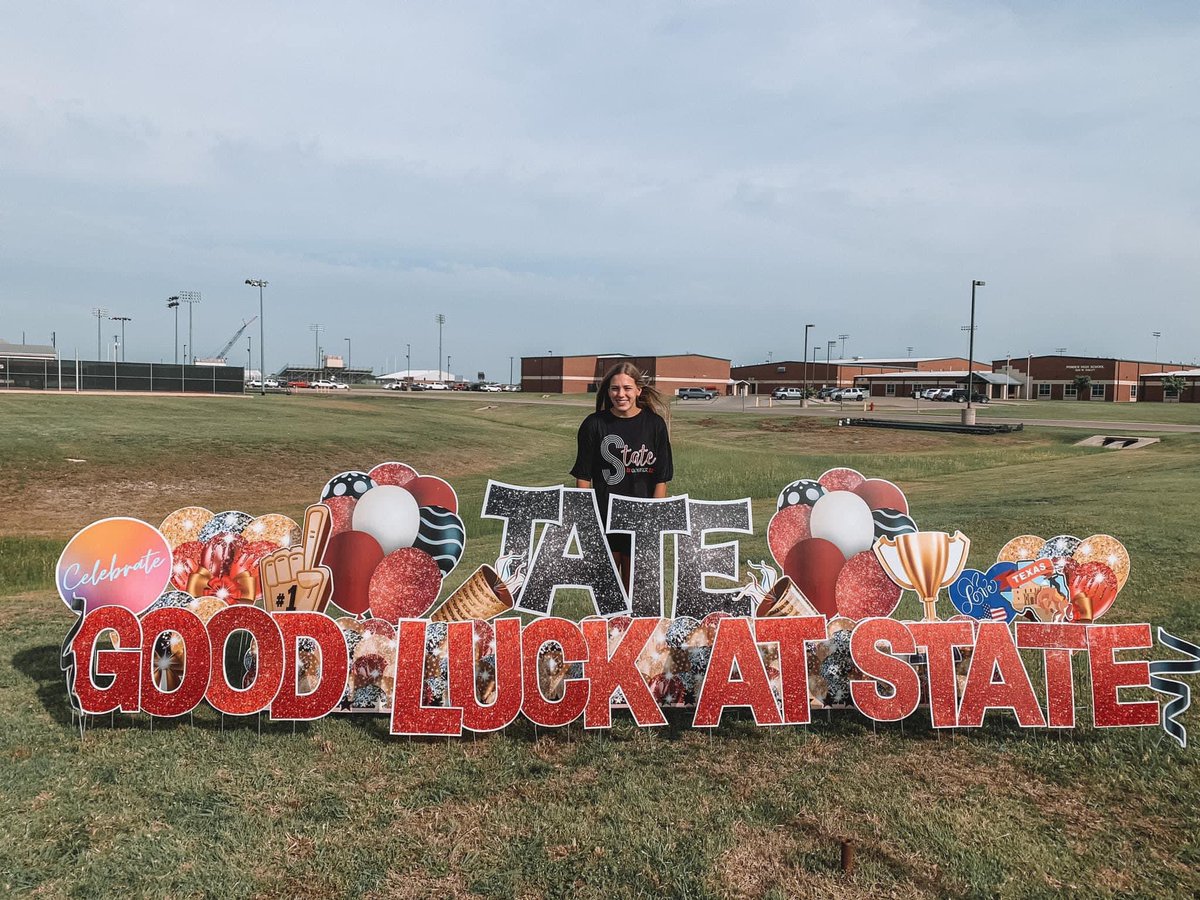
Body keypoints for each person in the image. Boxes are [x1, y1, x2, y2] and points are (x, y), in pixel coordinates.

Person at [571, 362, 673, 588]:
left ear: (638, 390)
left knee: (636, 590)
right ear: (608, 391)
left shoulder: (654, 425)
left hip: (640, 520)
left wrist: (653, 519)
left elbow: (661, 478)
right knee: (608, 590)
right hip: (605, 517)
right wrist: (588, 519)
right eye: (615, 388)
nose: (621, 394)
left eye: (627, 388)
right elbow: (583, 477)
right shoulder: (594, 424)